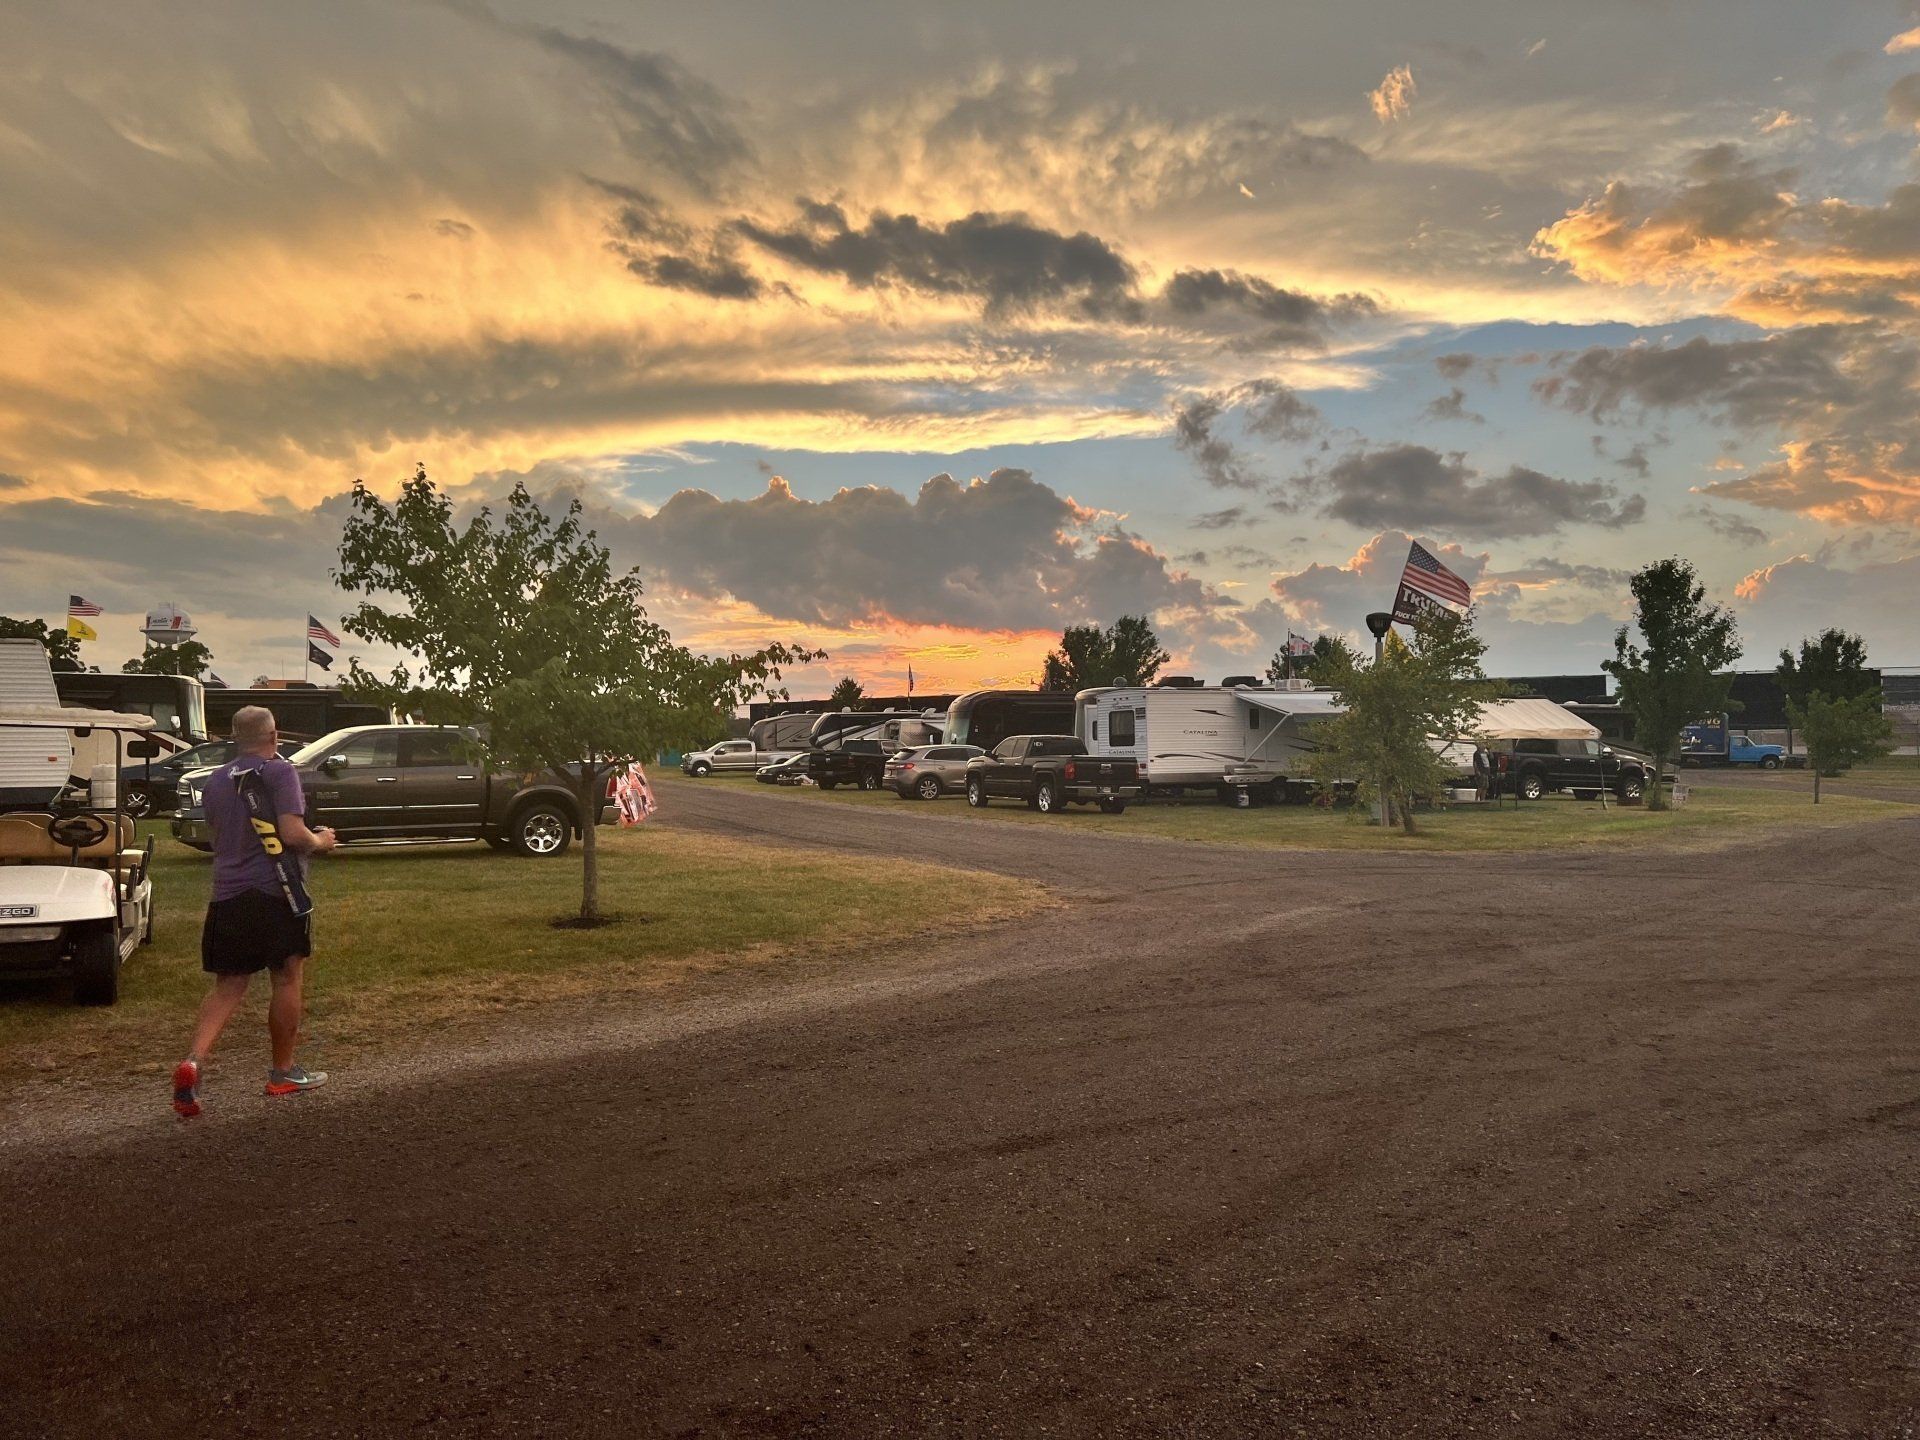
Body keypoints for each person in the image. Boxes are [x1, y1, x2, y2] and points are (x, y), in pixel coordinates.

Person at [171, 705, 337, 1117]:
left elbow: (218, 837)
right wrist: (322, 840)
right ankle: (283, 1073)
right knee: (286, 977)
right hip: (275, 893)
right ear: (274, 736)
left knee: (228, 986)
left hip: (227, 896)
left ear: (234, 738)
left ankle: (193, 1062)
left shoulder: (213, 782)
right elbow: (292, 833)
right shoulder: (280, 773)